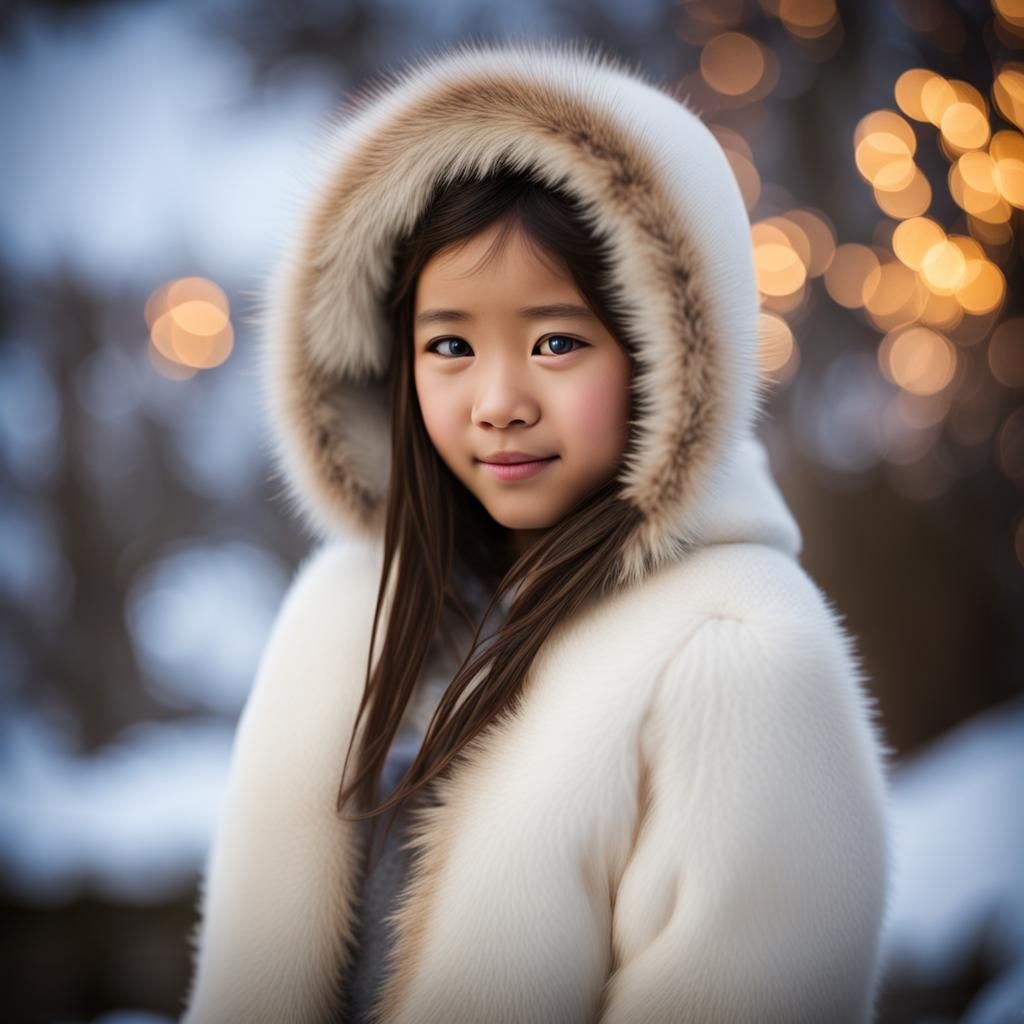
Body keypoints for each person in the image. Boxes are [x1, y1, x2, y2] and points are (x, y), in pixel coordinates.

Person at [180, 41, 892, 1024]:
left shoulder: (738, 659)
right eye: (450, 345)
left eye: (557, 341)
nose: (499, 402)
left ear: (664, 354)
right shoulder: (344, 613)